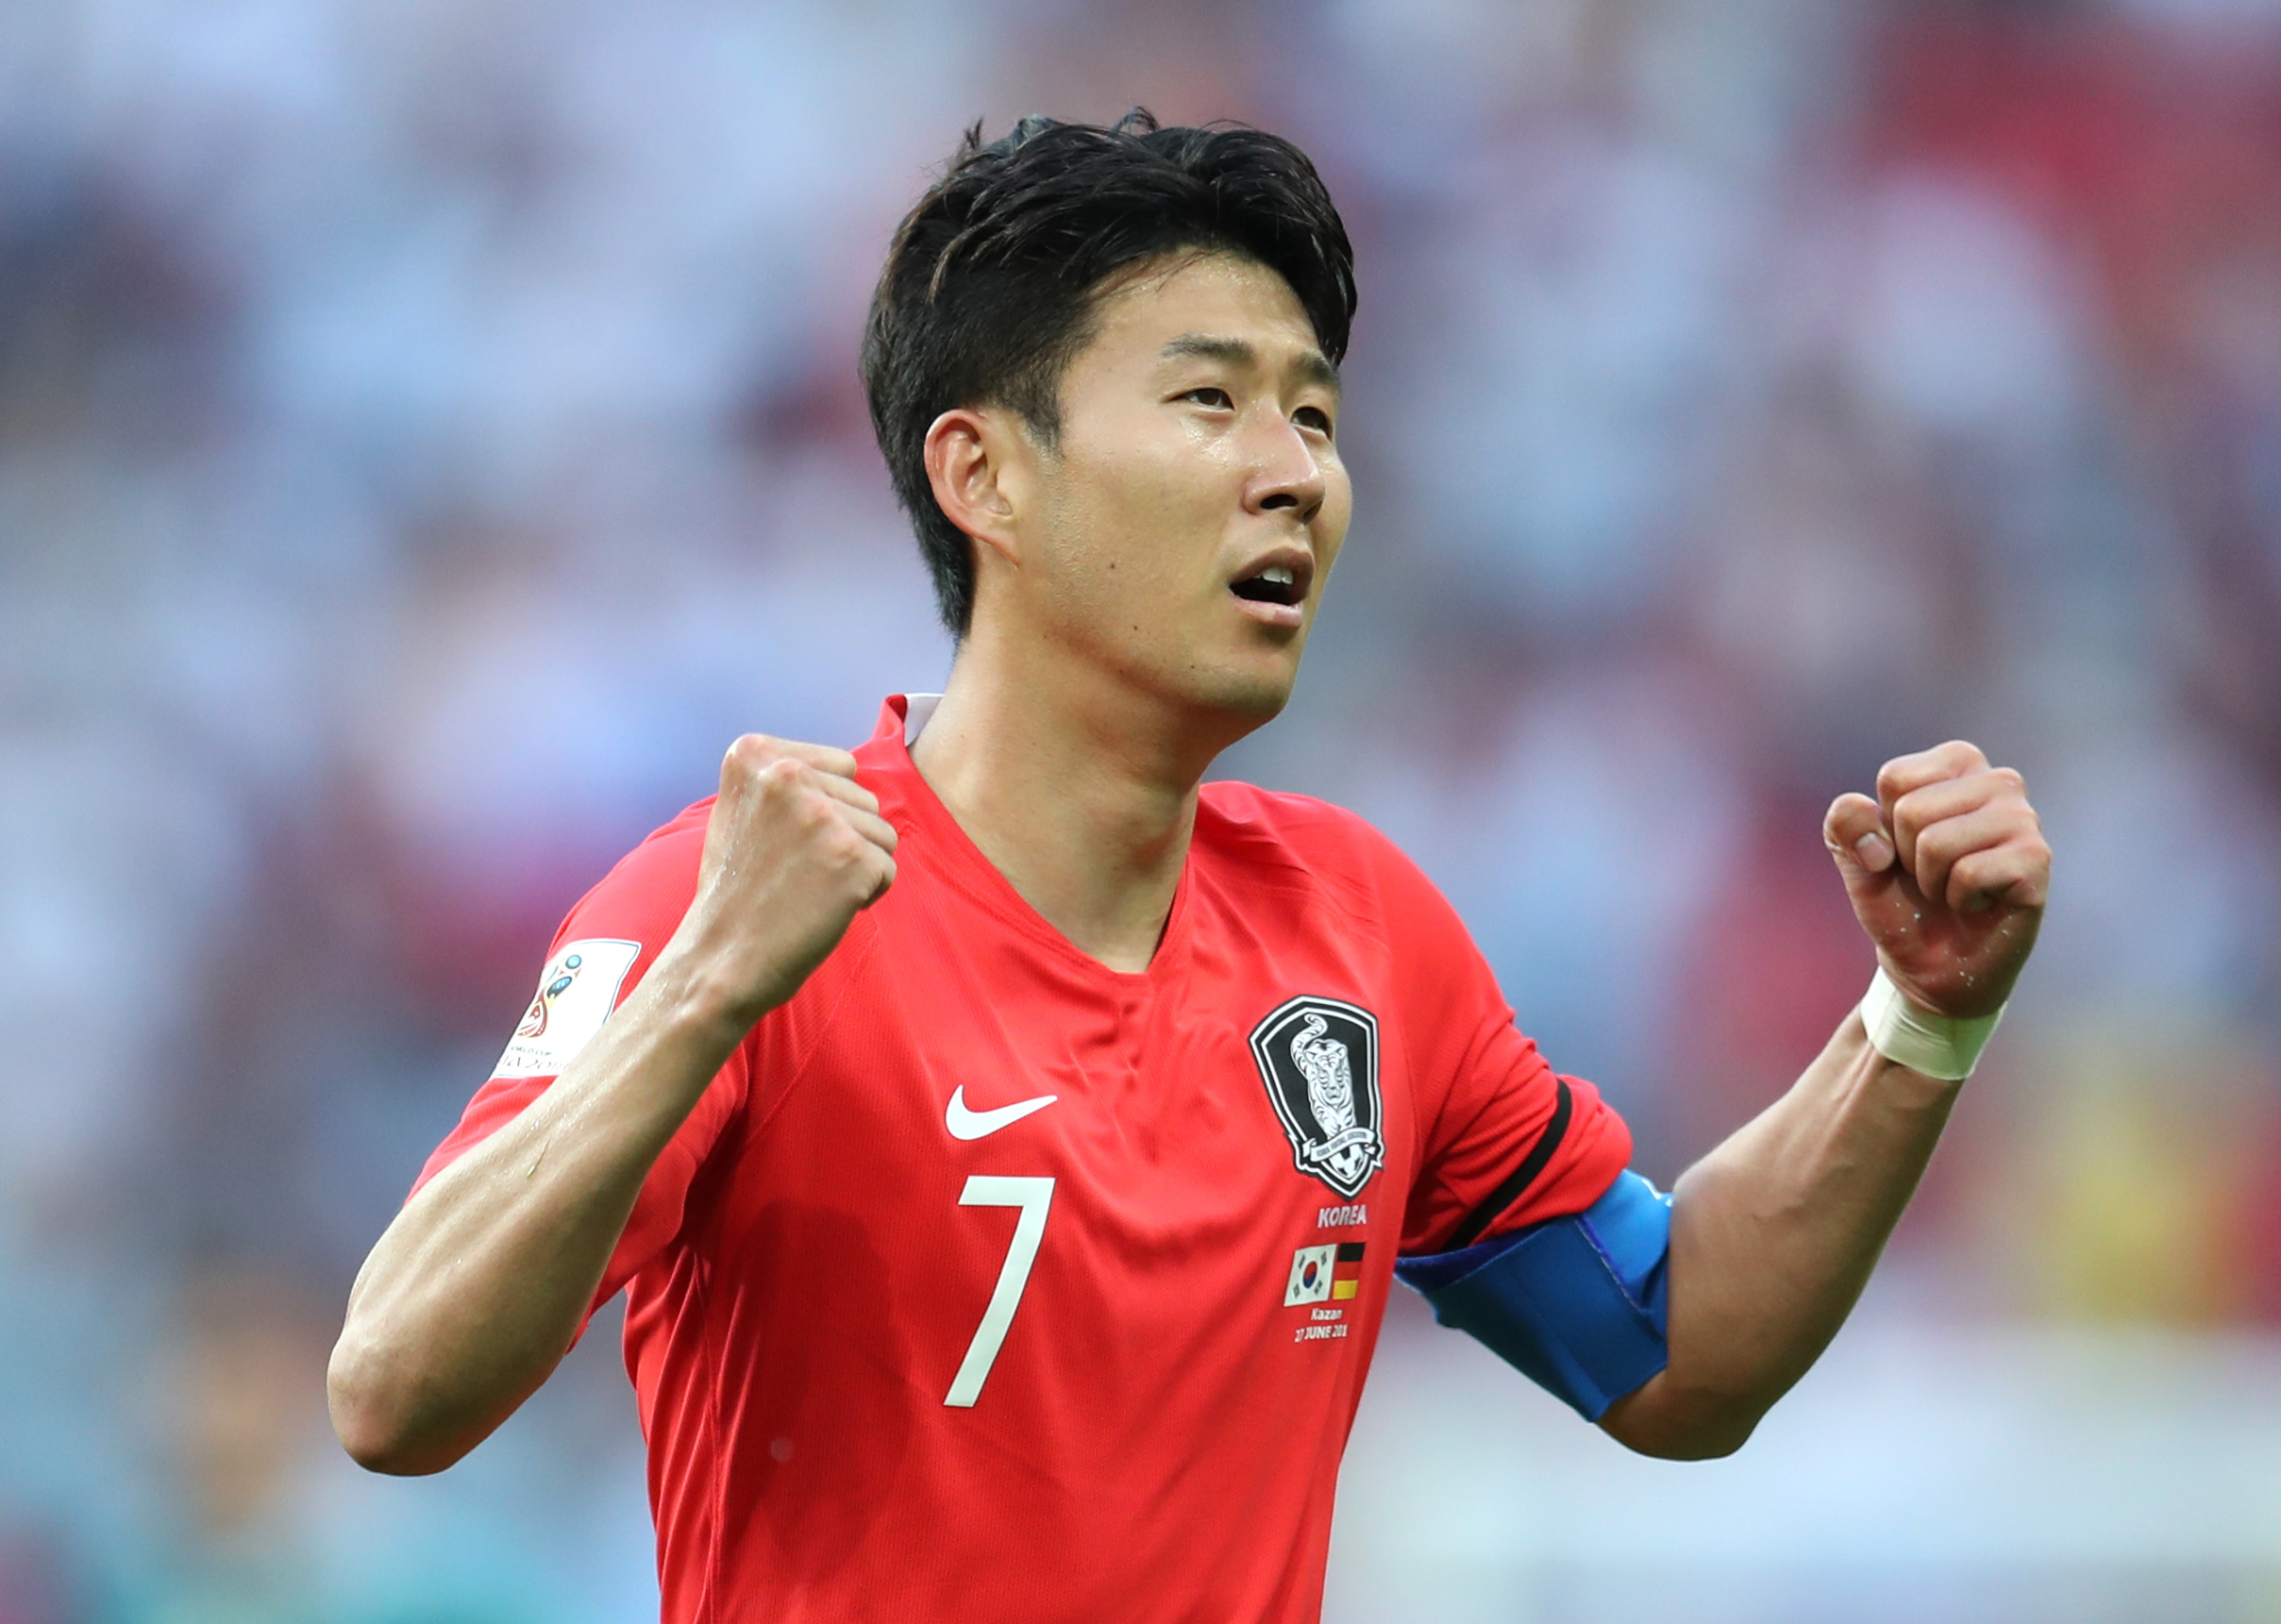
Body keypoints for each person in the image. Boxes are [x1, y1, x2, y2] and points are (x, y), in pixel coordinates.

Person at [327, 113, 2051, 1621]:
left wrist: (1918, 1022)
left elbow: (1668, 1350)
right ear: (982, 471)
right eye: (1210, 400)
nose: (1291, 471)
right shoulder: (743, 900)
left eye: (1312, 415)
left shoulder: (1360, 936)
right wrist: (705, 990)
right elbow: (394, 1391)